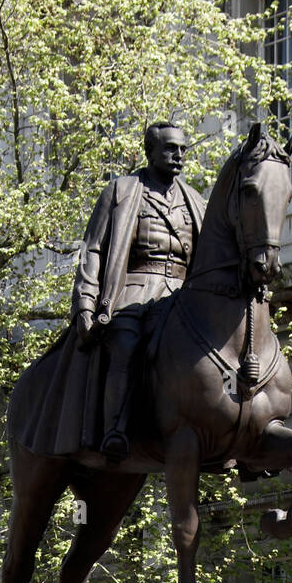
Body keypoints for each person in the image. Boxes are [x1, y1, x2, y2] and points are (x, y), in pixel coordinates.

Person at [71, 122, 207, 459]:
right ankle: (116, 429)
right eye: (170, 149)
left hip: (183, 294)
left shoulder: (196, 201)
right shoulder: (122, 191)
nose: (178, 156)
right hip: (135, 289)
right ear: (150, 152)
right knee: (127, 342)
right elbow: (93, 250)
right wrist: (85, 306)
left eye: (183, 149)